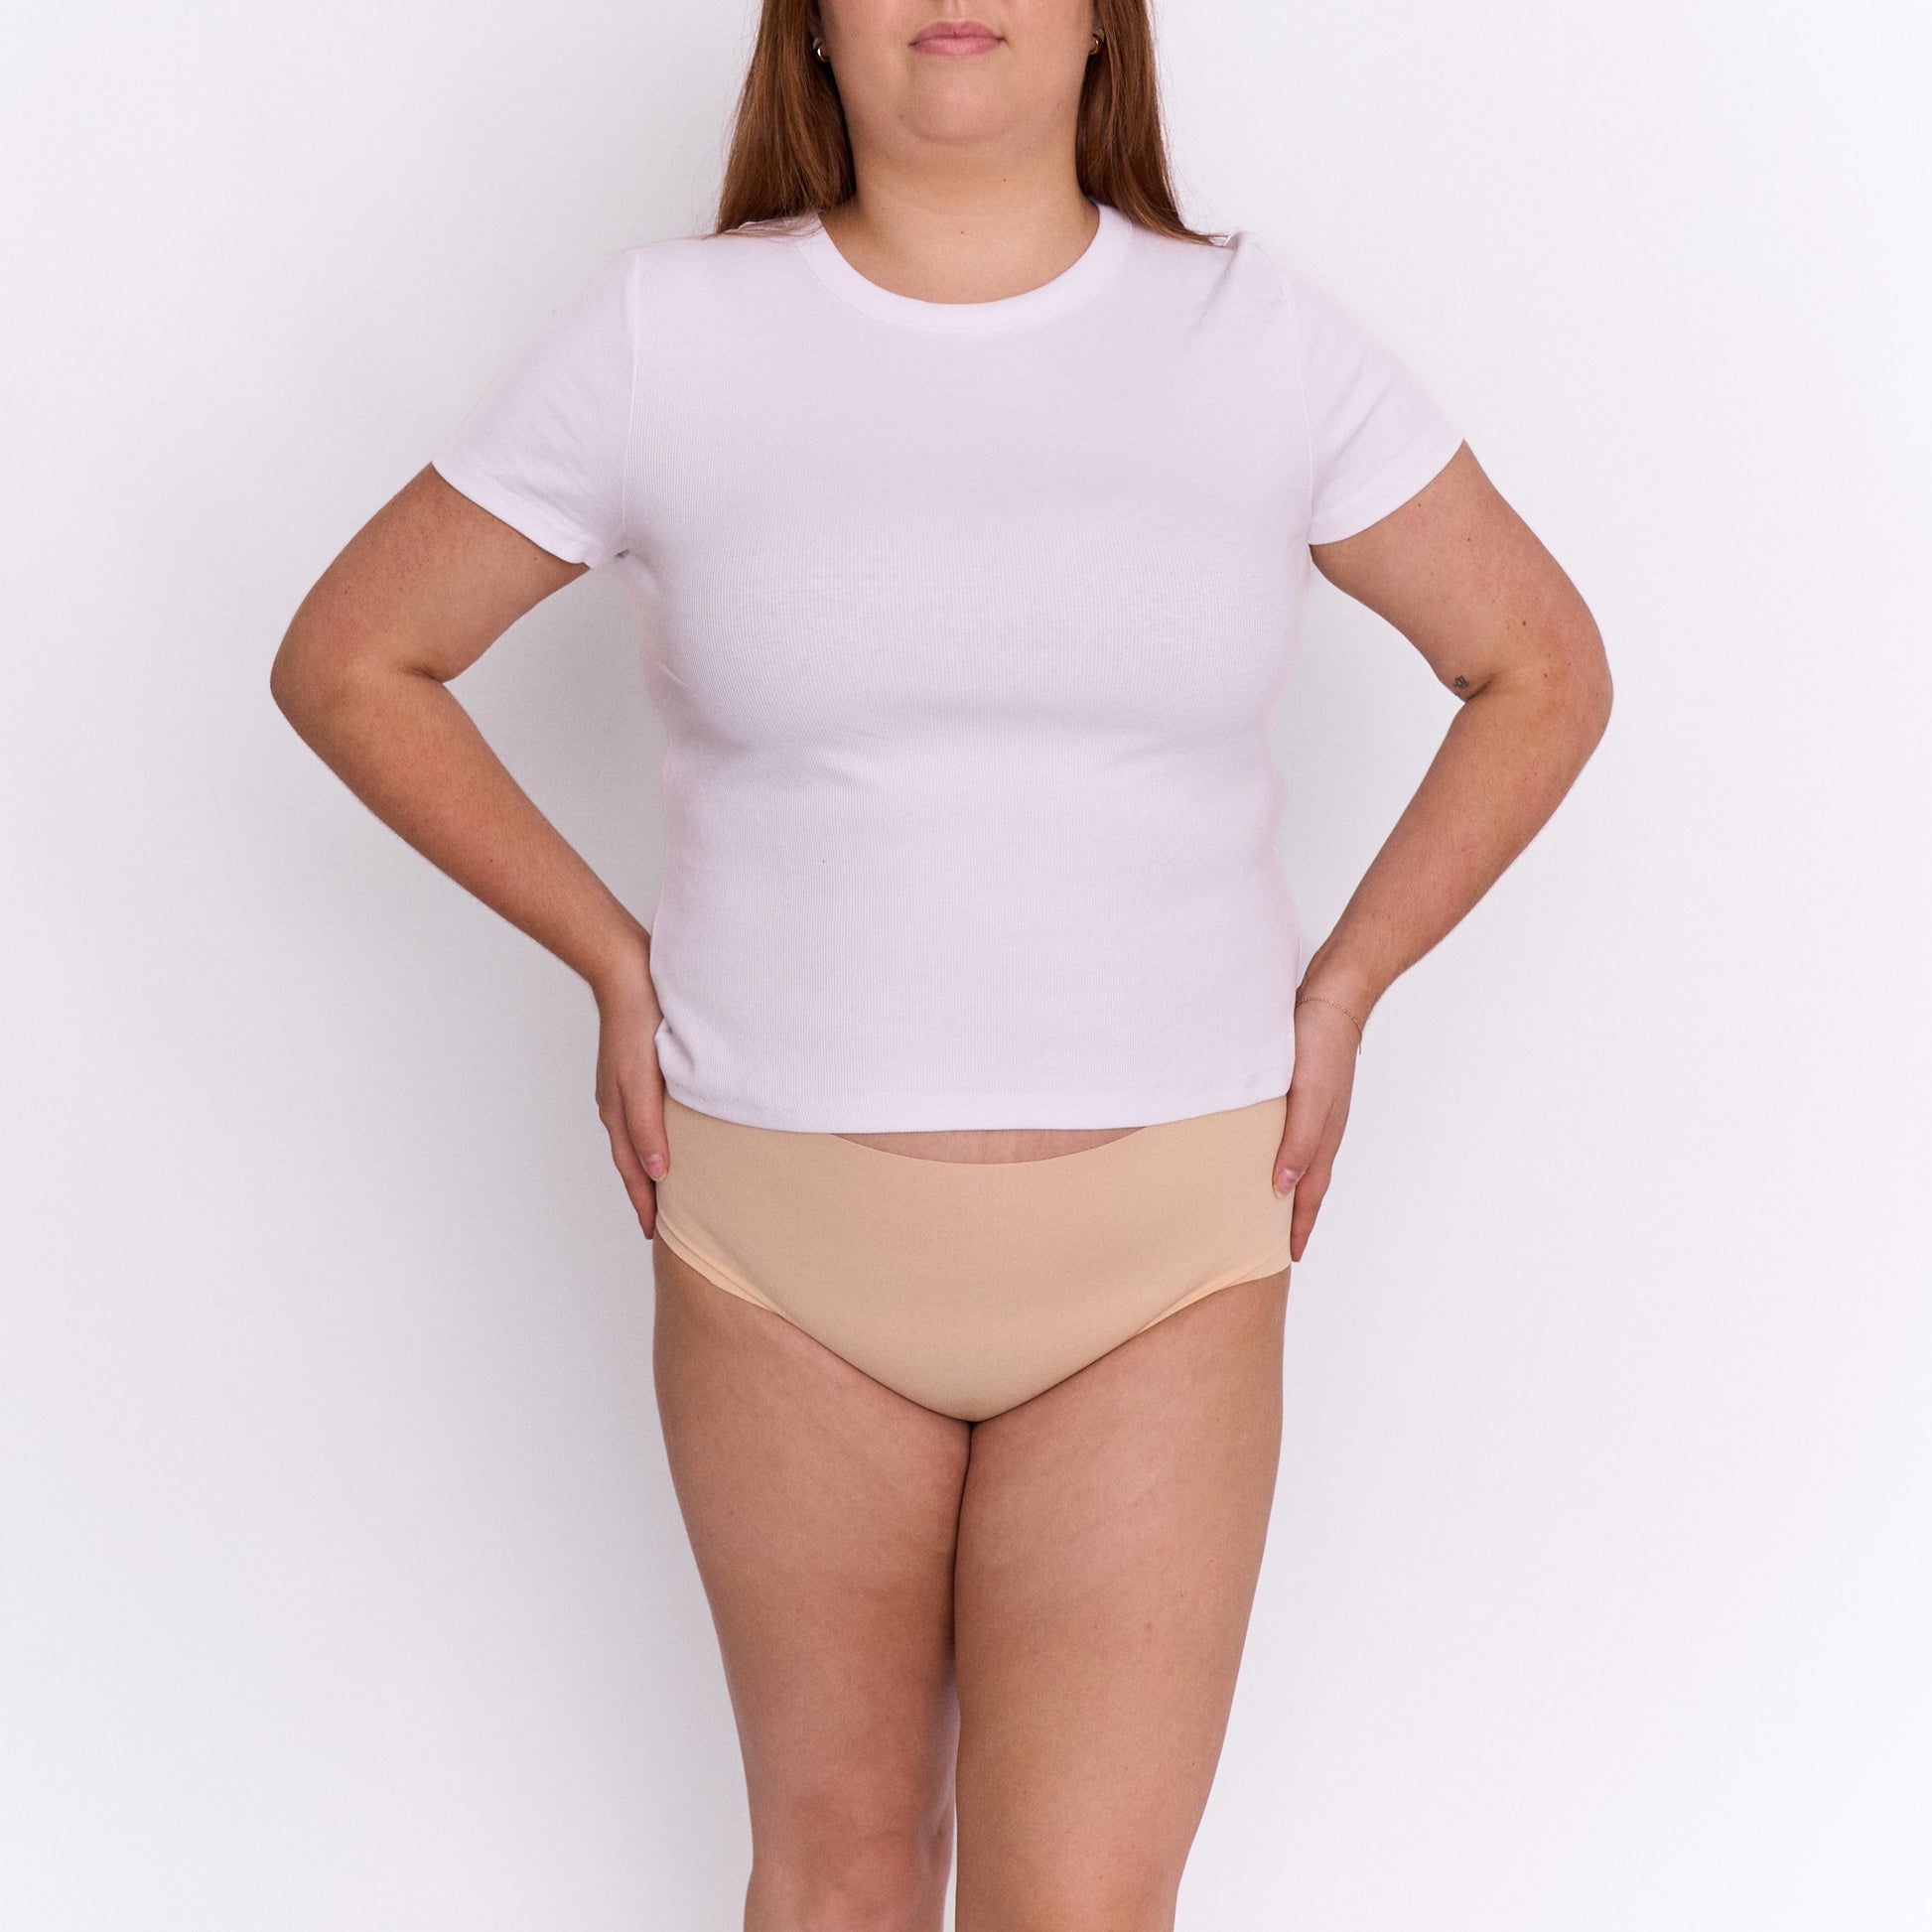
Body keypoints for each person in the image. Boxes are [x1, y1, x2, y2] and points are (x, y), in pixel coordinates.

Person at [271, 1, 1612, 1924]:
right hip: (777, 1259)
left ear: (1101, 28)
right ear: (814, 32)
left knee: (1081, 1905)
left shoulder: (1257, 342)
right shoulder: (667, 336)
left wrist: (1348, 980)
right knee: (838, 1883)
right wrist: (607, 956)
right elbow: (352, 657)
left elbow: (1539, 666)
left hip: (1163, 1260)